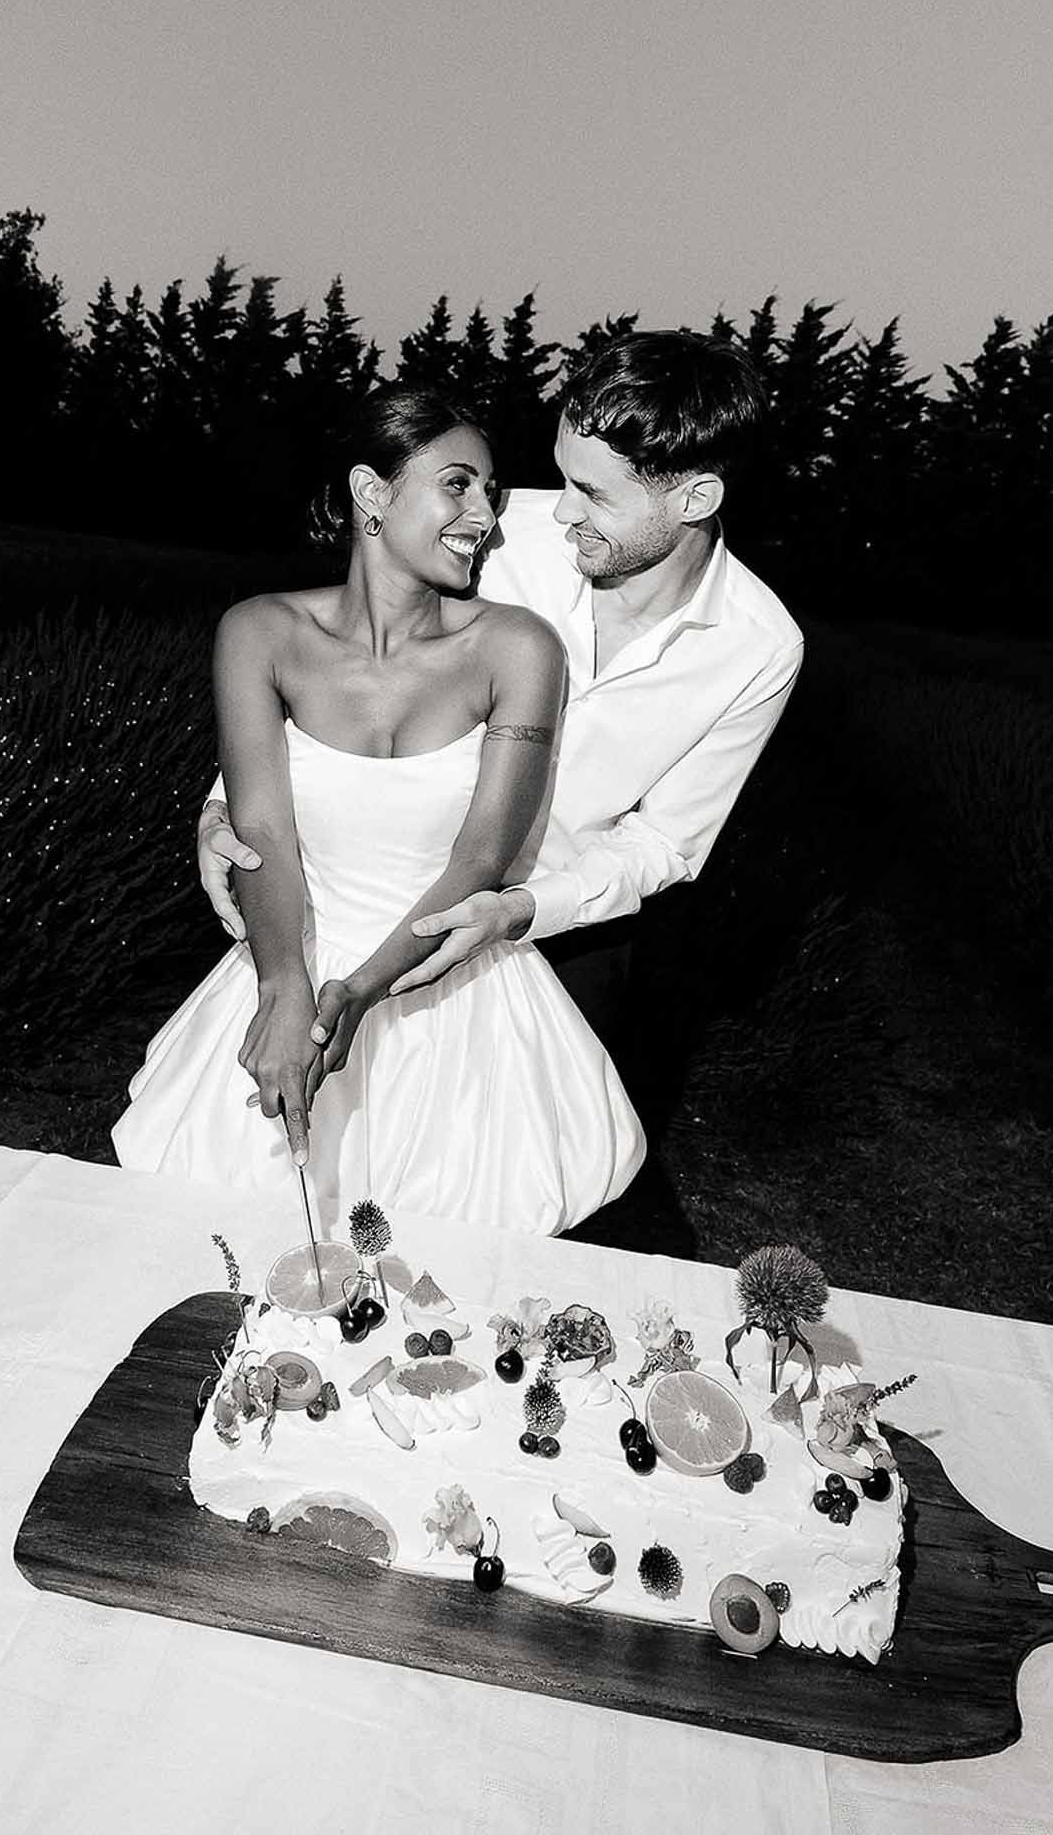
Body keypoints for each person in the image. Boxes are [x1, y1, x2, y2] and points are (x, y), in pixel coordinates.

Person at [198, 332, 804, 1243]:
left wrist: (520, 909)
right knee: (281, 1192)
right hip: (364, 893)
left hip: (551, 929)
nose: (558, 512)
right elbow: (356, 661)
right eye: (561, 477)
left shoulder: (760, 646)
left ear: (696, 498)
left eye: (594, 493)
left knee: (522, 1213)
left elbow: (666, 843)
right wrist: (229, 804)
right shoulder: (493, 524)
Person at [112, 387, 644, 1237]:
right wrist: (283, 988)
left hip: (449, 995)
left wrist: (359, 994)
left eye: (490, 492)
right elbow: (263, 830)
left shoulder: (519, 648)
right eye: (458, 485)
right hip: (289, 950)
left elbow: (480, 860)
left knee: (456, 1266)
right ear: (371, 492)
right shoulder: (259, 632)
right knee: (228, 1241)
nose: (486, 519)